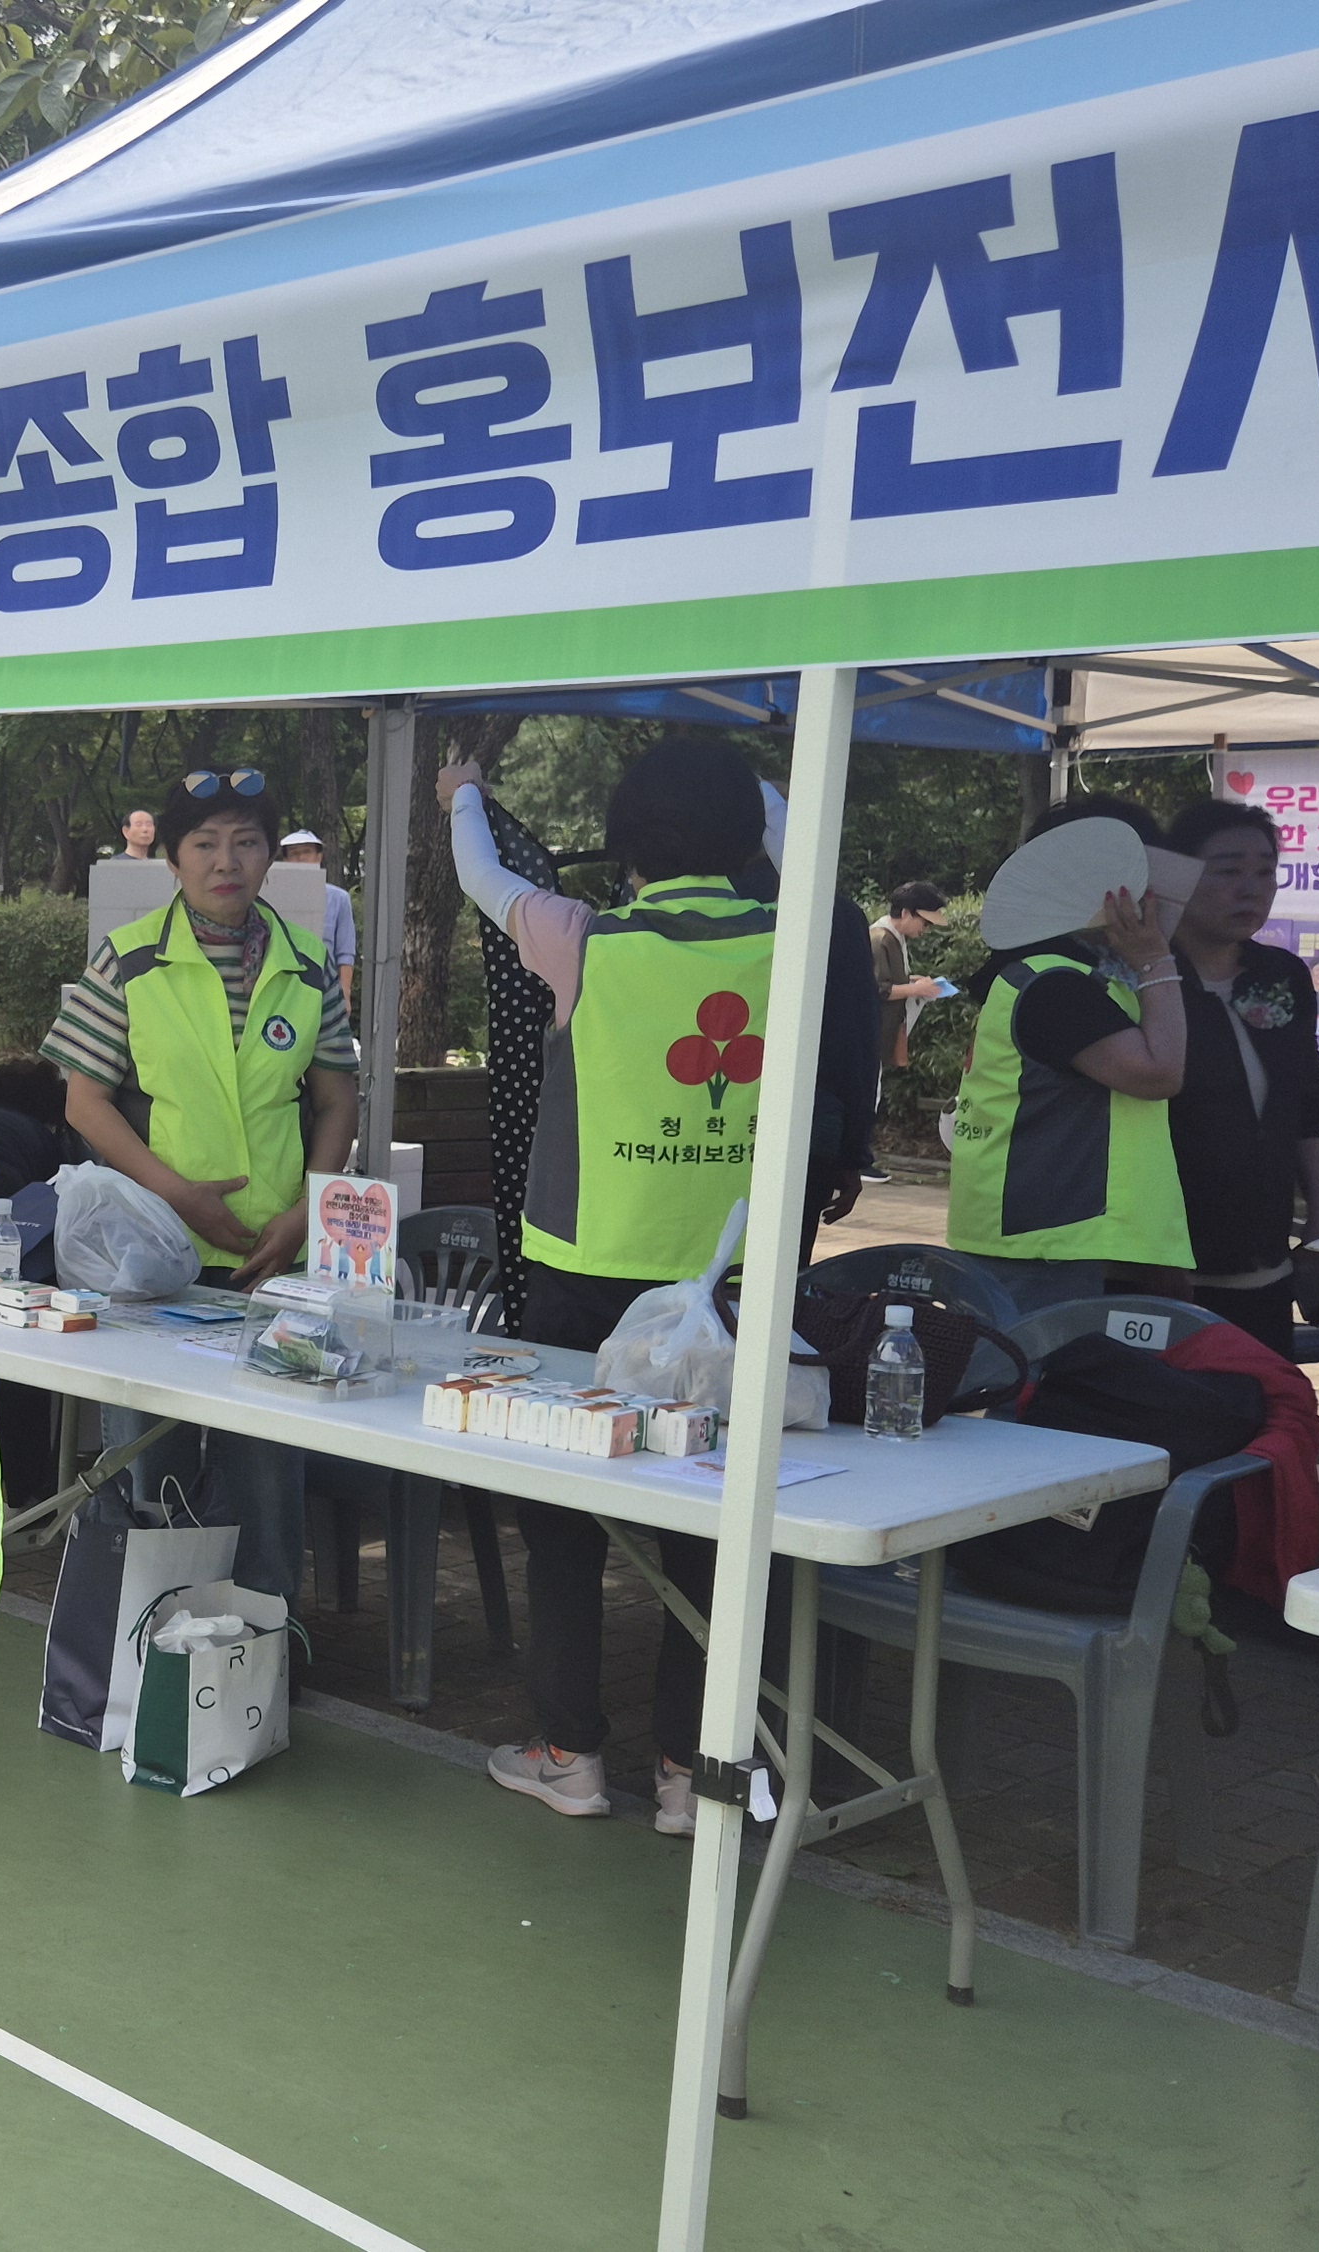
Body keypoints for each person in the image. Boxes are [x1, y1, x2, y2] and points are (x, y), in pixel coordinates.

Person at [446, 739, 856, 1836]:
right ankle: (691, 1769)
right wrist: (769, 779)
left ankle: (569, 1754)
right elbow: (797, 836)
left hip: (584, 1279)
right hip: (732, 1284)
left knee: (566, 1530)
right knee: (716, 1535)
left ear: (623, 843)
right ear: (748, 838)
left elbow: (480, 873)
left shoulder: (583, 939)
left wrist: (463, 796)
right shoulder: (801, 936)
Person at [47, 767, 356, 1602]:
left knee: (267, 1478)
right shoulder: (131, 956)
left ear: (269, 857)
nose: (228, 861)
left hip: (275, 1268)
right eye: (206, 844)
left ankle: (261, 1661)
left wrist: (306, 1212)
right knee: (157, 1472)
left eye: (247, 842)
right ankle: (157, 1652)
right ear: (175, 860)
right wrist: (180, 1196)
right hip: (157, 1268)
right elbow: (84, 1098)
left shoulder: (306, 962)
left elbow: (336, 1097)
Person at [946, 798, 1193, 1307]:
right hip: (1045, 1242)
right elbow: (1160, 1073)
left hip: (1050, 1239)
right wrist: (1153, 959)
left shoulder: (1055, 974)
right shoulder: (1055, 985)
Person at [1158, 802, 1319, 1360]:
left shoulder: (1281, 975)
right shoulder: (1140, 977)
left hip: (1263, 1253)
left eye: (1265, 871)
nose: (1251, 889)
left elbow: (1309, 1099)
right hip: (1159, 1261)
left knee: (1258, 1415)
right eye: (1229, 870)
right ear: (1176, 875)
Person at [869, 880, 955, 1167]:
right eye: (925, 922)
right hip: (869, 1034)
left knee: (874, 1093)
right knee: (869, 1095)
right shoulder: (880, 938)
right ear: (906, 913)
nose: (925, 929)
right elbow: (877, 989)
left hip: (880, 1033)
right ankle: (860, 1160)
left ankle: (861, 1158)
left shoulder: (894, 938)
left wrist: (916, 983)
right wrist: (916, 989)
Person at [278, 826, 355, 1012]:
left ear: (319, 857)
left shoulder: (339, 899)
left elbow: (345, 952)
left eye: (307, 852)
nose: (301, 858)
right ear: (286, 859)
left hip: (325, 989)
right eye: (295, 853)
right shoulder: (274, 896)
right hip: (283, 990)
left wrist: (345, 993)